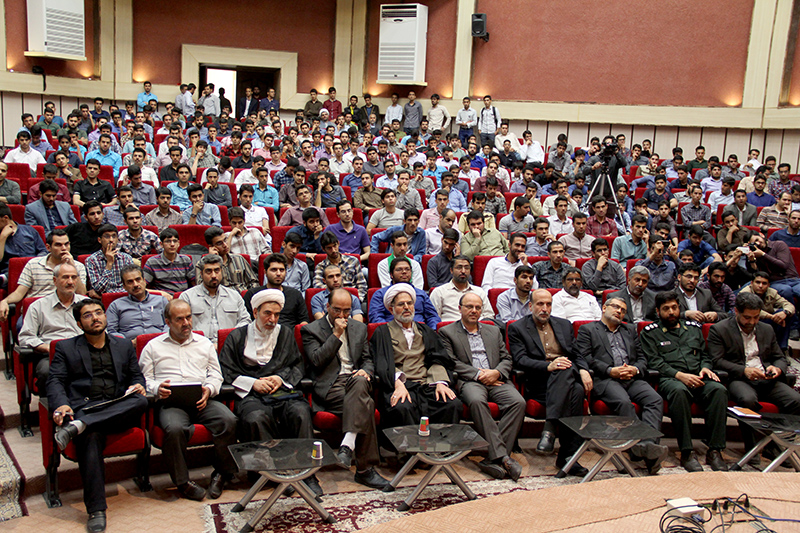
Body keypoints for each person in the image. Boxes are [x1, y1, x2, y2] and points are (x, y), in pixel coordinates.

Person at [47, 298, 148, 532]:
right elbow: (55, 381)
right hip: (87, 407)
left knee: (141, 400)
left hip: (118, 408)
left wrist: (138, 385)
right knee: (90, 437)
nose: (95, 318)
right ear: (79, 323)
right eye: (87, 315)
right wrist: (61, 404)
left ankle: (80, 425)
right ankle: (96, 510)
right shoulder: (66, 348)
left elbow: (136, 376)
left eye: (98, 312)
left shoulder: (123, 345)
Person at [218, 289, 323, 497]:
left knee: (301, 412)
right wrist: (253, 383)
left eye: (276, 314)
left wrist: (279, 378)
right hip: (251, 394)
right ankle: (273, 473)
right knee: (256, 417)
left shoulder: (285, 334)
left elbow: (296, 365)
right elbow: (226, 370)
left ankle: (308, 473)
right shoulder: (237, 336)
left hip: (281, 392)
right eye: (267, 313)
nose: (272, 319)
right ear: (255, 312)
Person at [139, 299, 238, 500]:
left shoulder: (204, 343)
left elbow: (216, 375)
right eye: (179, 319)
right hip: (171, 402)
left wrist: (209, 390)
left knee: (228, 420)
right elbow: (143, 380)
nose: (186, 323)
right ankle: (182, 482)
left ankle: (221, 473)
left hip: (202, 400)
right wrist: (157, 388)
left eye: (188, 317)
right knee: (174, 429)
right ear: (168, 322)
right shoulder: (153, 347)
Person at [300, 289, 390, 489]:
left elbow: (367, 359)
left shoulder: (359, 328)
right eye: (337, 310)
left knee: (360, 383)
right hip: (331, 385)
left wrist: (366, 371)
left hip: (355, 380)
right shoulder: (311, 330)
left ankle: (347, 445)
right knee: (366, 405)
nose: (342, 316)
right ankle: (365, 471)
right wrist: (336, 334)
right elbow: (316, 361)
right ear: (327, 307)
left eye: (347, 311)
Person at [574, 298, 668, 474]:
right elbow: (586, 358)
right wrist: (610, 371)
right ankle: (643, 450)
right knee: (624, 402)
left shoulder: (630, 330)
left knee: (655, 399)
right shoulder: (588, 330)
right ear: (604, 308)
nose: (619, 311)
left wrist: (635, 369)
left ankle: (647, 446)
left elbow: (642, 358)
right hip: (606, 379)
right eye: (616, 307)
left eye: (623, 310)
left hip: (631, 378)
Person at [439, 293, 525, 480]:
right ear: (460, 308)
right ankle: (502, 457)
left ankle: (493, 458)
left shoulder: (493, 331)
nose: (474, 311)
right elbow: (451, 362)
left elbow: (506, 358)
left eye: (478, 307)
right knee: (477, 401)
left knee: (518, 402)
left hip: (496, 379)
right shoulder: (447, 332)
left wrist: (496, 373)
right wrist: (479, 375)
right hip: (470, 380)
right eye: (469, 307)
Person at [640, 291, 728, 472]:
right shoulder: (650, 332)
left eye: (674, 307)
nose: (671, 312)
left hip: (698, 376)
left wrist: (705, 367)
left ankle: (715, 450)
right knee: (679, 392)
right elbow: (655, 362)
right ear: (658, 311)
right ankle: (687, 451)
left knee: (718, 390)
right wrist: (680, 375)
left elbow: (704, 355)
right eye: (666, 309)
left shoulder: (693, 328)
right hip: (670, 379)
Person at [707, 292, 800, 462]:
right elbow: (717, 361)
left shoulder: (767, 329)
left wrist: (777, 368)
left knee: (795, 400)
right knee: (747, 399)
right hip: (739, 379)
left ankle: (777, 446)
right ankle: (752, 447)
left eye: (756, 317)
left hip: (766, 378)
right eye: (747, 318)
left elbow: (779, 357)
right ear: (736, 311)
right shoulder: (720, 329)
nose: (752, 322)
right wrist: (744, 370)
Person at [508, 289, 591, 476]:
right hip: (540, 382)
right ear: (530, 306)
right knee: (577, 391)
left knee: (566, 369)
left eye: (548, 304)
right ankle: (568, 457)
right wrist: (548, 366)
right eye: (540, 304)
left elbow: (577, 354)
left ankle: (550, 428)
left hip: (565, 376)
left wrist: (584, 370)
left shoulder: (564, 325)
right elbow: (520, 360)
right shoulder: (517, 328)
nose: (545, 308)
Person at [370, 284, 461, 431]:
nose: (406, 307)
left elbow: (438, 358)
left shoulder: (426, 330)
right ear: (391, 309)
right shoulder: (382, 332)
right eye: (401, 304)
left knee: (451, 403)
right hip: (400, 385)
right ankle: (410, 447)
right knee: (402, 407)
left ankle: (441, 445)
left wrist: (440, 382)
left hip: (428, 384)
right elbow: (382, 363)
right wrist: (398, 384)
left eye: (409, 303)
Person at [178, 255, 250, 343]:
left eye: (217, 271)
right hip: (197, 345)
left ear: (222, 271)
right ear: (201, 274)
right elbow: (180, 325)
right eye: (208, 271)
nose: (213, 275)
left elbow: (245, 321)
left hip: (230, 344)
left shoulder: (234, 296)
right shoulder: (187, 297)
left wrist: (231, 338)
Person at [369, 257, 440, 328]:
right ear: (391, 274)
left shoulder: (421, 294)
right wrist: (387, 331)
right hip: (392, 331)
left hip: (419, 331)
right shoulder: (380, 294)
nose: (404, 272)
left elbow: (432, 316)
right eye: (399, 269)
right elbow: (376, 317)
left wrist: (431, 331)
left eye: (407, 269)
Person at [430, 255, 493, 321]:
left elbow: (489, 316)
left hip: (476, 326)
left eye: (466, 268)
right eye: (459, 268)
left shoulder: (479, 292)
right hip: (450, 326)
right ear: (451, 270)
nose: (463, 271)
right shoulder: (439, 292)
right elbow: (433, 318)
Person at [313, 232, 367, 301]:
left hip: (352, 299)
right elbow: (317, 286)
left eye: (335, 246)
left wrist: (357, 300)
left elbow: (362, 284)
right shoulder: (321, 266)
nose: (333, 250)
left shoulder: (353, 261)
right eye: (329, 248)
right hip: (330, 300)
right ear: (323, 249)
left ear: (338, 243)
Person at [85, 224, 135, 298]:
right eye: (107, 236)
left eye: (114, 236)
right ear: (99, 240)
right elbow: (98, 289)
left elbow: (131, 285)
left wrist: (106, 295)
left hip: (125, 298)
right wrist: (109, 264)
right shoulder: (91, 260)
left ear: (117, 239)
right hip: (102, 301)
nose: (111, 240)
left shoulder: (126, 258)